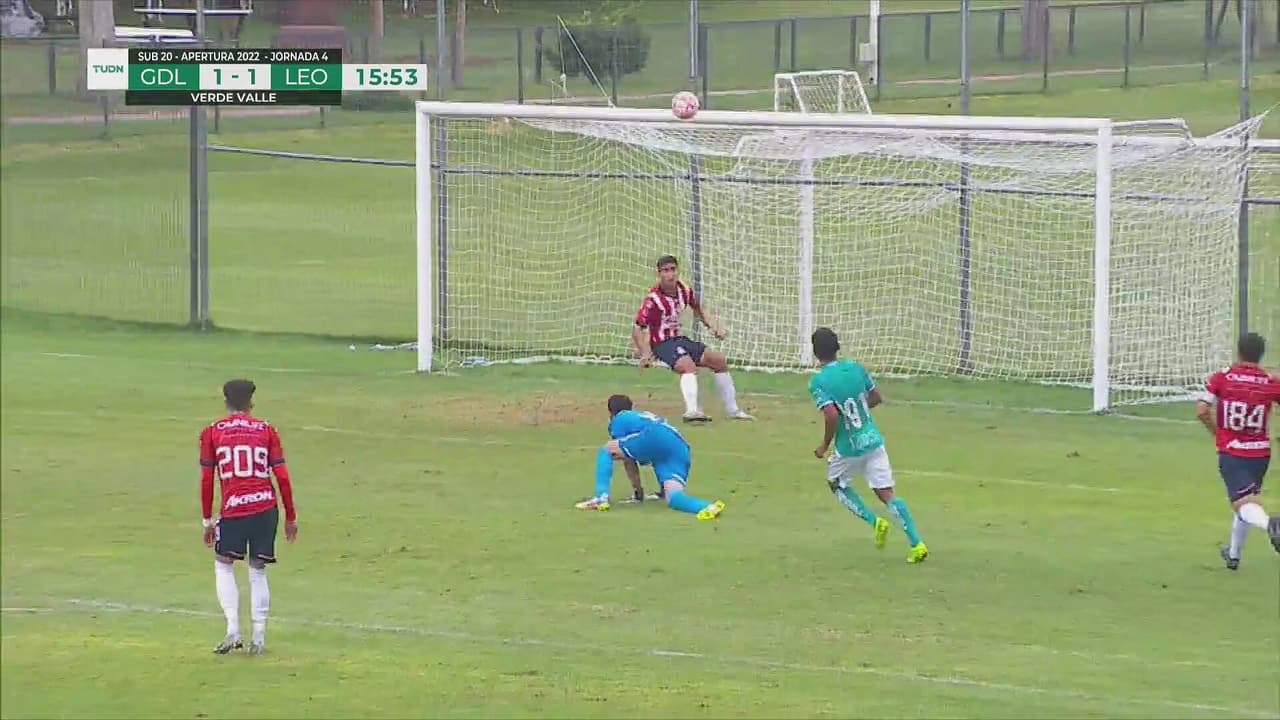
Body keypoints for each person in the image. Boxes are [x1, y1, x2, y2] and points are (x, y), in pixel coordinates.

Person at [808, 328, 928, 564]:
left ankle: (875, 522)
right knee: (886, 493)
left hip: (849, 446)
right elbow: (876, 398)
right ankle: (917, 543)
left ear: (815, 352)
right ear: (837, 347)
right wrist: (860, 413)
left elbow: (831, 414)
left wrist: (824, 445)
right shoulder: (856, 368)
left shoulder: (818, 382)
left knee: (837, 483)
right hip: (872, 438)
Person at [200, 379, 298, 655]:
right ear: (251, 402)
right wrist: (290, 516)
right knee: (258, 569)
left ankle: (233, 630)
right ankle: (259, 638)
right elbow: (282, 476)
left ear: (226, 402)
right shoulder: (267, 430)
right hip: (265, 507)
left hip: (234, 508)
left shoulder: (212, 432)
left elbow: (207, 479)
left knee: (223, 564)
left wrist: (207, 521)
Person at [632, 254, 753, 423]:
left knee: (718, 360)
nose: (670, 275)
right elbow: (638, 327)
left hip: (679, 339)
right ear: (659, 274)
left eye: (673, 269)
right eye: (665, 271)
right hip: (662, 344)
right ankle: (692, 412)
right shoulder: (653, 300)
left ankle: (733, 410)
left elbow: (698, 307)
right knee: (688, 366)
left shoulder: (683, 290)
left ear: (678, 271)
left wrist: (712, 326)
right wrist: (645, 353)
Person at [1195, 333, 1280, 569]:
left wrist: (1217, 433)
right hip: (1260, 453)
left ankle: (1271, 525)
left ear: (1239, 351)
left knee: (1243, 502)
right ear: (1261, 355)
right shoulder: (1269, 381)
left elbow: (1202, 410)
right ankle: (1233, 555)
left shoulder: (1223, 377)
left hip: (1233, 452)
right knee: (1246, 499)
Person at [575, 394, 725, 520]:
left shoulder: (620, 419)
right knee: (673, 497)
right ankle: (707, 507)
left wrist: (638, 492)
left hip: (655, 433)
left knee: (607, 449)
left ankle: (600, 497)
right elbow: (659, 446)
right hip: (679, 445)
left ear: (611, 412)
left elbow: (628, 459)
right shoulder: (642, 416)